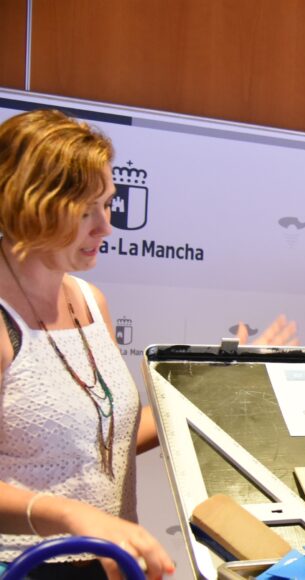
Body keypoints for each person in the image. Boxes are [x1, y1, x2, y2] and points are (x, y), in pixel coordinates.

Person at [0, 109, 174, 579]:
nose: (105, 227)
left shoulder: (91, 301)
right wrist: (71, 515)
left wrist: (205, 397)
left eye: (107, 204)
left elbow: (101, 439)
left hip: (106, 567)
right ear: (28, 204)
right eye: (84, 211)